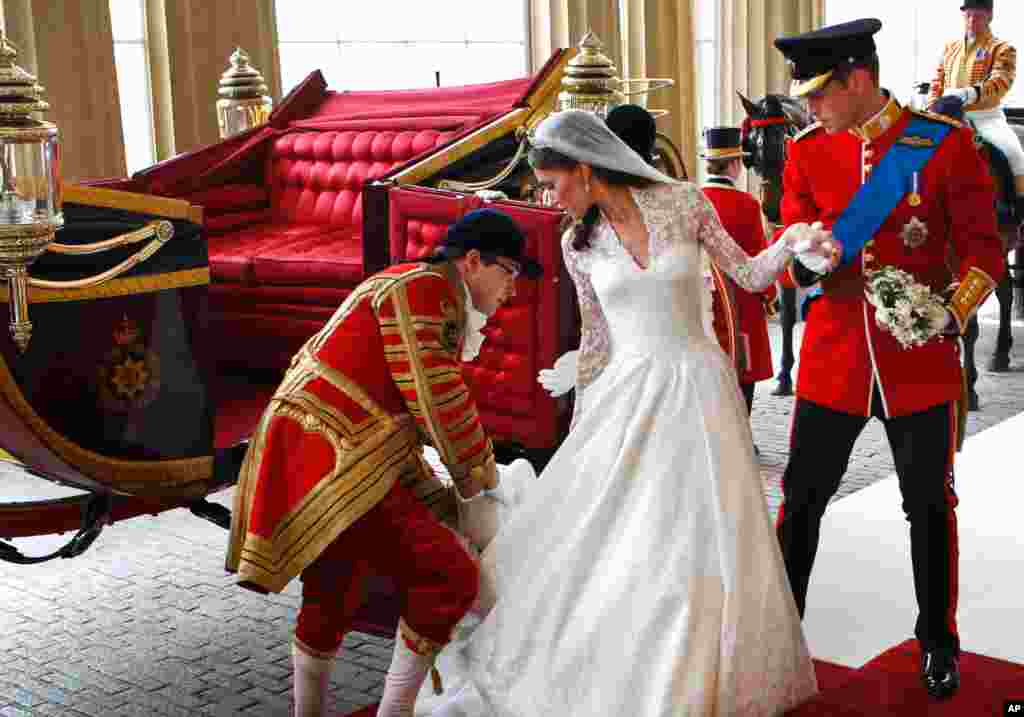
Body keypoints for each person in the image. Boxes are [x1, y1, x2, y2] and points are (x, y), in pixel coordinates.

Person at [416, 109, 830, 717]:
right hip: (628, 396)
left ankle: (698, 667)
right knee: (631, 532)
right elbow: (597, 337)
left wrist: (792, 239)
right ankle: (629, 656)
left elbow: (747, 274)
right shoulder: (575, 243)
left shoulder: (685, 203)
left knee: (697, 533)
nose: (553, 202)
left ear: (584, 169)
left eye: (555, 186)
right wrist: (578, 380)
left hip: (698, 389)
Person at [224, 208, 543, 717]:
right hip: (333, 453)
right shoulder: (427, 292)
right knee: (451, 577)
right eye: (510, 272)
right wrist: (479, 484)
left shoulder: (412, 283)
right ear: (474, 261)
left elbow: (400, 425)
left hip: (329, 448)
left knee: (335, 588)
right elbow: (438, 400)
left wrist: (441, 499)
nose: (512, 289)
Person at [773, 18, 1005, 700]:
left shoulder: (944, 145)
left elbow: (984, 253)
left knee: (929, 505)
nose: (810, 108)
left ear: (859, 78)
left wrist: (950, 313)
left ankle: (938, 639)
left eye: (820, 93)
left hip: (919, 363)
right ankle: (786, 634)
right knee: (803, 501)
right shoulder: (807, 153)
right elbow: (791, 258)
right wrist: (805, 261)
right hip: (835, 358)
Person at [699, 126, 776, 422]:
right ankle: (741, 433)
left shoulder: (694, 197)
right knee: (743, 371)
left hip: (702, 298)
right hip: (740, 300)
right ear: (733, 164)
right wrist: (769, 297)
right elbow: (758, 255)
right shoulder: (746, 204)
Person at [927, 0, 1024, 218]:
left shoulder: (1002, 48)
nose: (971, 21)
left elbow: (1001, 81)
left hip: (985, 117)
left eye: (977, 16)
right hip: (946, 113)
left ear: (989, 16)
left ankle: (1016, 211)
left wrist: (971, 93)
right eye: (968, 15)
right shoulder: (949, 48)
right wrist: (933, 101)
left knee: (1014, 153)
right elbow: (937, 80)